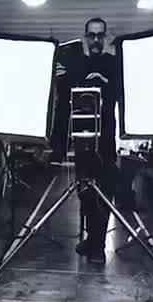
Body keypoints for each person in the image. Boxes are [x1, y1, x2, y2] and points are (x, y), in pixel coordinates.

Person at [51, 18, 121, 264]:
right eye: (92, 35)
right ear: (85, 37)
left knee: (105, 191)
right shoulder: (77, 63)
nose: (96, 40)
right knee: (85, 191)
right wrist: (58, 76)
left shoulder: (113, 63)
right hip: (83, 139)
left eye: (100, 35)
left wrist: (105, 83)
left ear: (106, 37)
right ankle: (93, 240)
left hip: (106, 140)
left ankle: (98, 245)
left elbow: (121, 93)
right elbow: (65, 97)